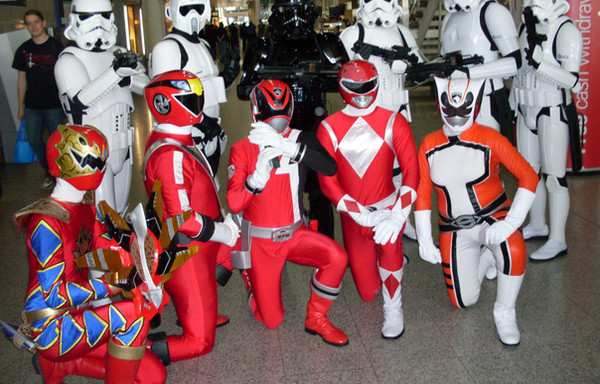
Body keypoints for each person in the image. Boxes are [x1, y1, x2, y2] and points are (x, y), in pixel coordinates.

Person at [13, 124, 166, 384]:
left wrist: (141, 253)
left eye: (101, 161)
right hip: (53, 326)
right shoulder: (46, 223)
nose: (99, 168)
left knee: (152, 377)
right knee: (133, 314)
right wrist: (112, 284)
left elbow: (106, 243)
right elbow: (55, 294)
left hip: (79, 314)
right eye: (92, 162)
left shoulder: (85, 207)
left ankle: (62, 366)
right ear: (63, 163)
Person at [415, 77, 539, 346]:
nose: (456, 115)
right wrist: (424, 239)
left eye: (463, 108)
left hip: (492, 218)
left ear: (476, 105)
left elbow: (529, 176)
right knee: (463, 301)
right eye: (449, 108)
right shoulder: (429, 144)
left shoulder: (490, 138)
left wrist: (511, 223)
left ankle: (505, 311)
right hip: (453, 227)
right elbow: (423, 193)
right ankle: (487, 257)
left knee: (512, 247)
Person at [227, 79, 349, 346]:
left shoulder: (301, 139)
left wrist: (290, 148)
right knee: (271, 320)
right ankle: (250, 278)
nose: (278, 121)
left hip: (296, 234)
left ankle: (316, 318)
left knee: (337, 257)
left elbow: (329, 167)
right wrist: (254, 181)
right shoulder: (243, 148)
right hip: (261, 243)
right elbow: (235, 204)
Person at [142, 70, 239, 364]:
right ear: (163, 104)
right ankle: (126, 351)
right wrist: (225, 232)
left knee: (237, 250)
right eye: (189, 99)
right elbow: (182, 218)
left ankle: (197, 305)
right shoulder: (170, 154)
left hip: (201, 241)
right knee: (200, 343)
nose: (197, 104)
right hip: (188, 249)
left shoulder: (176, 138)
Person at [317, 60, 419, 339]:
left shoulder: (394, 120)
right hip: (354, 218)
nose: (361, 93)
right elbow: (327, 183)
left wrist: (397, 216)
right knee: (367, 291)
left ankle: (394, 307)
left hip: (388, 210)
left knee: (390, 247)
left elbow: (412, 173)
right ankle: (389, 261)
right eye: (354, 87)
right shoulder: (328, 127)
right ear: (342, 87)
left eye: (367, 86)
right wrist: (362, 215)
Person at [237, 0, 349, 238]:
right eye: (288, 10)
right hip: (274, 129)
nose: (295, 18)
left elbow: (346, 79)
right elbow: (244, 89)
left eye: (299, 10)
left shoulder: (325, 42)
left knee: (321, 190)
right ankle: (279, 238)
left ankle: (324, 242)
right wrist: (275, 84)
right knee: (274, 187)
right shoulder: (265, 46)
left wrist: (317, 81)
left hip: (315, 126)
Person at [339, 0, 424, 240]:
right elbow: (340, 75)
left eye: (384, 0)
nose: (378, 7)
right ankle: (368, 219)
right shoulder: (353, 35)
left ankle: (401, 218)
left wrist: (406, 66)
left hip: (398, 111)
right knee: (369, 170)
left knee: (401, 169)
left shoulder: (402, 33)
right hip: (365, 113)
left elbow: (420, 69)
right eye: (371, 1)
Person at [54, 0, 148, 215]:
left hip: (123, 144)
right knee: (103, 214)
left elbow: (148, 87)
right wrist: (115, 73)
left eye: (104, 16)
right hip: (89, 149)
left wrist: (127, 78)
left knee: (121, 210)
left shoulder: (118, 53)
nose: (99, 24)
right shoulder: (69, 60)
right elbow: (81, 100)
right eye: (89, 17)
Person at [511, 0, 583, 262]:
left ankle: (557, 239)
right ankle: (538, 224)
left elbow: (573, 81)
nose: (532, 4)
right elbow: (520, 69)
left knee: (554, 177)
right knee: (529, 174)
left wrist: (543, 64)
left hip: (552, 109)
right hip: (525, 107)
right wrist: (514, 98)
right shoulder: (525, 28)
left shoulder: (566, 31)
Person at [150, 0, 239, 176]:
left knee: (210, 185)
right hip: (186, 136)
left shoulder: (203, 44)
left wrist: (228, 77)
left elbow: (208, 86)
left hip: (210, 132)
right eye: (186, 9)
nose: (193, 15)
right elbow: (166, 101)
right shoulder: (167, 48)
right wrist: (203, 122)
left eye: (198, 8)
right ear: (171, 11)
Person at [440, 0, 521, 141]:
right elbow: (444, 60)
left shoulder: (492, 12)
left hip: (486, 99)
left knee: (487, 155)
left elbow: (514, 62)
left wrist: (469, 73)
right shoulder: (449, 18)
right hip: (454, 102)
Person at [12, 9, 65, 189]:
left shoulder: (56, 47)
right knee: (34, 139)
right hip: (32, 105)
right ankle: (50, 170)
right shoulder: (24, 50)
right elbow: (21, 79)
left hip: (54, 105)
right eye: (29, 23)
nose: (33, 26)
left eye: (36, 22)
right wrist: (20, 106)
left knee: (56, 141)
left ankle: (60, 175)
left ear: (43, 23)